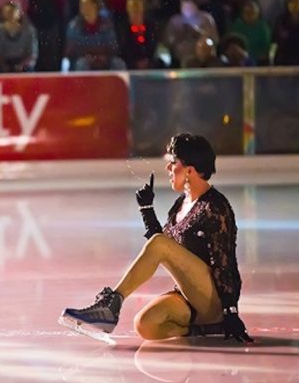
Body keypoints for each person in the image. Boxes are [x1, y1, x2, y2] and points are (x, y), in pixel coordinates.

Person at [60, 134, 253, 343]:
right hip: (190, 296)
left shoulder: (215, 207)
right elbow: (161, 245)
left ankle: (110, 306)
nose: (168, 169)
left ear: (189, 169)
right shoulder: (181, 204)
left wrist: (230, 310)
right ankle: (208, 330)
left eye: (172, 163)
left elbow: (225, 264)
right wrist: (147, 210)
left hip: (213, 301)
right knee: (145, 325)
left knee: (160, 245)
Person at [64, 0, 122, 71]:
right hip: (82, 59)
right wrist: (89, 56)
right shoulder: (74, 25)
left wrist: (103, 56)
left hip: (105, 58)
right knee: (82, 64)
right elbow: (72, 48)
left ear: (95, 5)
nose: (83, 8)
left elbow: (113, 45)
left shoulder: (107, 24)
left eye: (86, 4)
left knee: (118, 63)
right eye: (81, 5)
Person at [163, 0, 219, 68]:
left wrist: (199, 33)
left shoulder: (205, 19)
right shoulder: (175, 21)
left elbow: (214, 39)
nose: (187, 10)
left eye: (189, 7)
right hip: (181, 58)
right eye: (184, 6)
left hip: (203, 57)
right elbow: (167, 42)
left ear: (196, 6)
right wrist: (179, 35)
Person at [0, 2, 38, 72]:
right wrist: (3, 66)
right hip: (6, 65)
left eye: (12, 11)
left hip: (24, 66)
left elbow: (32, 53)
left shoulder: (29, 30)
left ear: (19, 13)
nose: (10, 15)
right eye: (7, 12)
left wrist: (22, 65)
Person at [229, 0, 272, 66]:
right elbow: (232, 44)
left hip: (258, 62)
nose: (249, 15)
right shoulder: (237, 26)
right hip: (239, 61)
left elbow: (265, 51)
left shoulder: (263, 27)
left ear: (257, 13)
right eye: (247, 13)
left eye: (252, 13)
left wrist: (250, 58)